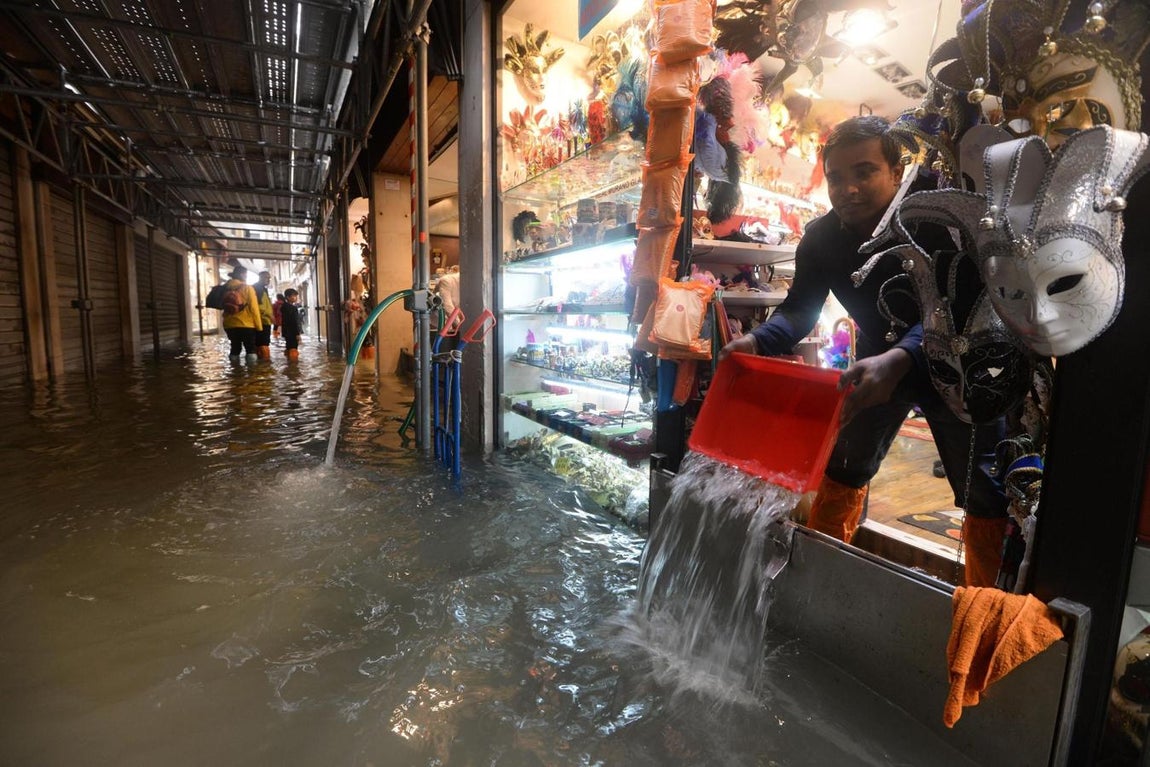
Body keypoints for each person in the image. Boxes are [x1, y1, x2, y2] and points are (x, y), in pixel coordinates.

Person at [719, 115, 1010, 588]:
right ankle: (820, 579)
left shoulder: (935, 215)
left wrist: (901, 358)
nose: (848, 188)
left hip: (959, 369)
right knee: (844, 468)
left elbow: (958, 304)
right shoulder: (820, 239)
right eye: (835, 177)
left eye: (864, 171)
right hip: (876, 366)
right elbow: (799, 311)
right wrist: (755, 341)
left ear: (896, 171)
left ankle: (984, 607)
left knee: (984, 493)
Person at [220, 266, 263, 363]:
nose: (246, 277)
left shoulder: (225, 288)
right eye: (246, 274)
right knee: (250, 349)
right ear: (242, 275)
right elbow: (254, 308)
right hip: (246, 324)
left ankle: (235, 372)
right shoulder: (247, 288)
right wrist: (259, 327)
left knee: (235, 348)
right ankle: (251, 375)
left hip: (229, 324)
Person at [253, 270, 275, 359]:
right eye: (267, 277)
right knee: (263, 344)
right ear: (260, 277)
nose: (268, 280)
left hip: (263, 321)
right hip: (262, 321)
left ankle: (260, 367)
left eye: (269, 278)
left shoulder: (262, 288)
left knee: (260, 344)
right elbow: (259, 306)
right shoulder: (258, 289)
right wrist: (270, 315)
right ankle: (265, 366)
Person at [281, 288, 302, 360]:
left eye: (296, 296)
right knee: (293, 349)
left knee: (289, 347)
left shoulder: (283, 307)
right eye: (294, 296)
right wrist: (297, 334)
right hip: (292, 332)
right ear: (288, 297)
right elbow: (294, 322)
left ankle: (289, 365)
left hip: (286, 332)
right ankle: (293, 368)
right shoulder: (293, 308)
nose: (295, 298)